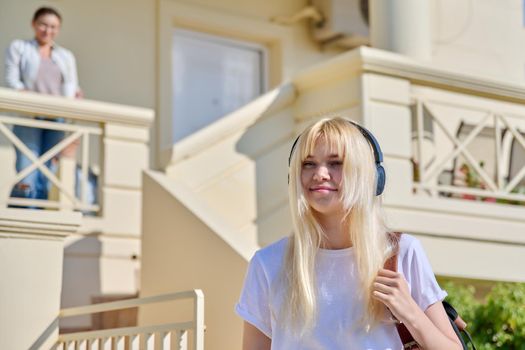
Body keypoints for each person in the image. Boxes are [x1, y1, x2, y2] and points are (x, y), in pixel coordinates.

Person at [235, 117, 463, 349]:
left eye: (336, 163)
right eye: (308, 164)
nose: (320, 174)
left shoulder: (400, 253)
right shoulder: (267, 264)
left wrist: (411, 313)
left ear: (368, 176)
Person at [5, 6, 81, 202]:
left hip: (56, 120)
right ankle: (22, 212)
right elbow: (13, 81)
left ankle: (37, 212)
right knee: (26, 171)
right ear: (34, 24)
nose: (48, 31)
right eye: (43, 25)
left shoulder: (66, 56)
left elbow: (71, 87)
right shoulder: (19, 48)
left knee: (47, 173)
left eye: (54, 27)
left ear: (59, 29)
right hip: (28, 118)